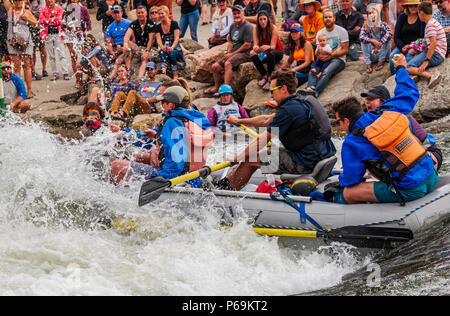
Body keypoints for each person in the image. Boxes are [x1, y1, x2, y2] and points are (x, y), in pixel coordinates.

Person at [331, 54, 439, 205]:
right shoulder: (389, 111)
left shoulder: (352, 140)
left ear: (346, 121)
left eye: (339, 123)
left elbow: (351, 179)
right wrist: (401, 68)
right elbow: (409, 93)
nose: (340, 127)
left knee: (349, 192)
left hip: (411, 189)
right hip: (432, 176)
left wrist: (340, 183)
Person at [220, 69, 336, 191]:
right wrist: (239, 121)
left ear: (283, 89)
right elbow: (266, 120)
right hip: (319, 156)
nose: (271, 95)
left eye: (272, 90)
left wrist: (237, 158)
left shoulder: (287, 110)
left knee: (250, 158)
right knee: (264, 152)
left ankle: (227, 191)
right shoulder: (302, 101)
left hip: (305, 164)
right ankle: (227, 181)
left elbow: (261, 141)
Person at [110, 86, 214, 184]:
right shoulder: (195, 120)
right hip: (194, 178)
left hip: (177, 179)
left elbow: (176, 161)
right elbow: (157, 138)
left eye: (163, 102)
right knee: (136, 157)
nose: (161, 104)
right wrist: (123, 133)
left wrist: (160, 179)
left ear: (171, 105)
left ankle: (126, 194)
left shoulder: (172, 122)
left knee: (116, 166)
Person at [360, 84, 443, 171]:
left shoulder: (403, 116)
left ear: (383, 101)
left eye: (371, 99)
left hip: (427, 154)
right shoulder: (368, 127)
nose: (366, 102)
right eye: (366, 99)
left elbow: (427, 142)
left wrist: (423, 153)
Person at [204, 5, 253, 96]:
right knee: (215, 66)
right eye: (234, 14)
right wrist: (228, 53)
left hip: (245, 53)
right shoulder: (233, 26)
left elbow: (247, 45)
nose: (236, 15)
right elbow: (230, 42)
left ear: (243, 14)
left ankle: (225, 90)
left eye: (238, 13)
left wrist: (231, 54)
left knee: (228, 64)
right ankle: (216, 87)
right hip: (234, 52)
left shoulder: (248, 27)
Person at [302, 9, 349, 97]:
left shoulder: (342, 31)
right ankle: (309, 88)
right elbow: (318, 49)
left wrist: (331, 55)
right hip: (322, 59)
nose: (328, 19)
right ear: (323, 19)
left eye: (330, 17)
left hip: (337, 59)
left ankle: (315, 92)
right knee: (313, 70)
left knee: (327, 71)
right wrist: (319, 56)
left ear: (334, 19)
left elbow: (345, 50)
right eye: (326, 17)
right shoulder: (320, 33)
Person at [406, 1, 446, 89]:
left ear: (421, 13)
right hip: (439, 53)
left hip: (436, 54)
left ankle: (430, 76)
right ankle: (415, 75)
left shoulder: (430, 25)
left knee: (408, 67)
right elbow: (426, 41)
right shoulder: (433, 22)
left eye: (418, 13)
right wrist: (414, 46)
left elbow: (433, 43)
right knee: (413, 56)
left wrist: (426, 61)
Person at [4, 0, 38, 98]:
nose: (17, 2)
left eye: (19, 0)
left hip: (25, 43)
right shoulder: (10, 9)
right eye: (15, 0)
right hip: (12, 42)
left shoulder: (26, 12)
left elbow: (35, 23)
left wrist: (27, 17)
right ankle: (18, 91)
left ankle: (29, 90)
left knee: (27, 66)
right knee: (16, 67)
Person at [250, 10, 284, 90]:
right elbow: (255, 44)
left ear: (268, 19)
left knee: (270, 54)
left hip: (276, 52)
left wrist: (267, 46)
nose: (263, 22)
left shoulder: (273, 28)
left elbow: (272, 46)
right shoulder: (256, 28)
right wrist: (255, 48)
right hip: (264, 53)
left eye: (264, 19)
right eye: (260, 19)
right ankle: (264, 75)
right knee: (253, 55)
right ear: (258, 21)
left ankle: (269, 77)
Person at [389, 0, 425, 75]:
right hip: (402, 45)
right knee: (392, 56)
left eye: (415, 5)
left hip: (415, 46)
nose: (413, 7)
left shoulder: (421, 18)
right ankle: (393, 78)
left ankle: (404, 77)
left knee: (408, 57)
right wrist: (402, 46)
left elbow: (422, 36)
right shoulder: (402, 16)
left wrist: (411, 46)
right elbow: (396, 36)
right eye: (411, 6)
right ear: (407, 7)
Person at [63, 0, 92, 90]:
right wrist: (69, 30)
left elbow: (89, 23)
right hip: (70, 37)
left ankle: (88, 77)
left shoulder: (84, 9)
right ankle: (78, 80)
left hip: (81, 36)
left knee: (84, 57)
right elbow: (62, 24)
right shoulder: (66, 10)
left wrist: (85, 31)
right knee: (73, 57)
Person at [39, 0, 70, 82]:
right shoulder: (43, 10)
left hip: (58, 34)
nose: (50, 2)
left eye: (51, 0)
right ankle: (55, 72)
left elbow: (59, 20)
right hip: (47, 34)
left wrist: (48, 20)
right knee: (51, 55)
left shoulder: (59, 9)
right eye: (48, 0)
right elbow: (41, 21)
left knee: (61, 54)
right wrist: (52, 19)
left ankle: (65, 72)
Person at [123, 5, 155, 78]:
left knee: (144, 58)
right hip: (139, 47)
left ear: (146, 13)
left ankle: (139, 77)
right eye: (138, 13)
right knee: (128, 45)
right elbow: (127, 35)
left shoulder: (151, 23)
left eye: (142, 12)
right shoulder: (134, 23)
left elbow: (151, 40)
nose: (140, 14)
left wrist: (147, 51)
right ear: (136, 14)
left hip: (149, 48)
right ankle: (128, 70)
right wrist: (125, 45)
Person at [360, 4, 392, 73]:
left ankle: (381, 62)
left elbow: (389, 33)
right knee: (363, 41)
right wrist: (372, 41)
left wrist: (380, 43)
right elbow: (361, 37)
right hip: (373, 53)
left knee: (388, 39)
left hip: (383, 52)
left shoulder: (383, 24)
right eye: (370, 13)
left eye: (374, 12)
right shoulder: (365, 26)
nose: (372, 15)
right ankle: (368, 64)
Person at [154, 5, 184, 78]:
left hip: (175, 47)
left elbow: (177, 38)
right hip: (165, 48)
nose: (160, 15)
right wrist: (162, 47)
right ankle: (163, 70)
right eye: (159, 14)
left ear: (167, 13)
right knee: (162, 52)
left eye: (162, 13)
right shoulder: (158, 27)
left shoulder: (174, 23)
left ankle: (175, 72)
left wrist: (172, 47)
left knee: (172, 53)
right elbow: (158, 40)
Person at [105, 5, 132, 79]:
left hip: (127, 46)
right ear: (112, 14)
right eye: (114, 13)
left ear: (121, 13)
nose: (116, 15)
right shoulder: (110, 27)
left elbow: (134, 38)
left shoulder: (128, 23)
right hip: (117, 48)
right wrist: (111, 52)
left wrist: (126, 46)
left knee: (120, 59)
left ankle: (127, 71)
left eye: (118, 13)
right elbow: (108, 42)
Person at [30, 0, 48, 80]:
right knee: (32, 49)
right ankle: (33, 70)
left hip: (40, 27)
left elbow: (41, 13)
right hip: (30, 27)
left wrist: (31, 13)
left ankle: (44, 69)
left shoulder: (41, 0)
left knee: (42, 47)